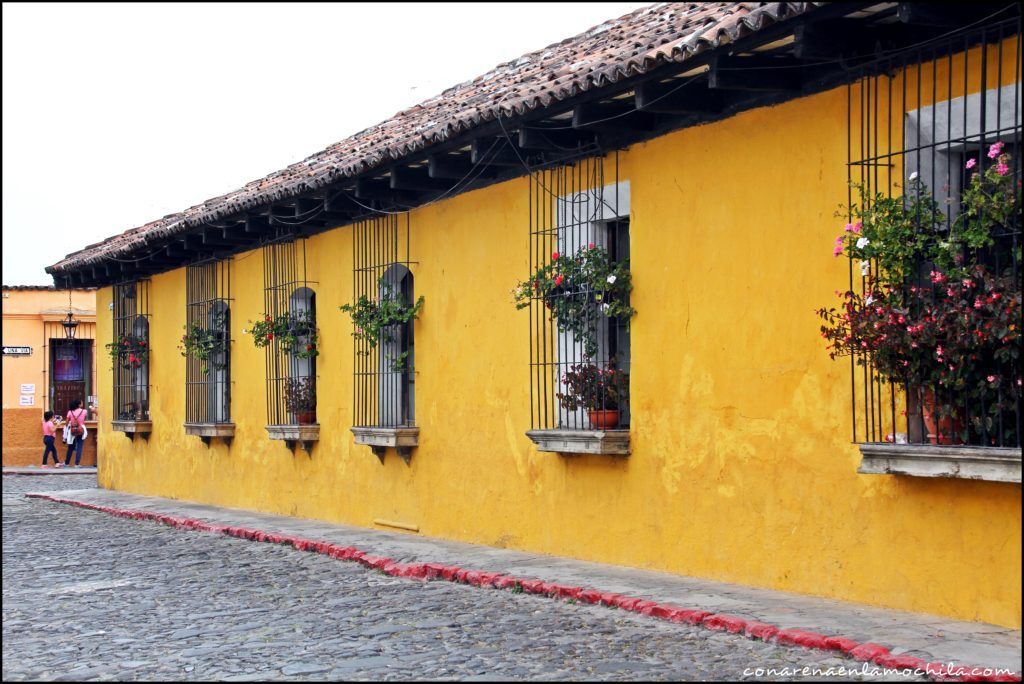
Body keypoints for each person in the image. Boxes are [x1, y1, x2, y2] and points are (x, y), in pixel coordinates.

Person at [64, 399, 88, 467]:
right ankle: (77, 464)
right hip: (81, 429)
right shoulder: (84, 411)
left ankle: (67, 463)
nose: (82, 404)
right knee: (79, 446)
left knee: (70, 446)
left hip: (72, 430)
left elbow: (66, 422)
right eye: (82, 403)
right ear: (79, 404)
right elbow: (84, 419)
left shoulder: (70, 412)